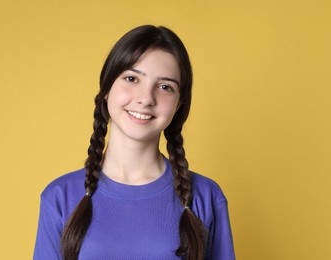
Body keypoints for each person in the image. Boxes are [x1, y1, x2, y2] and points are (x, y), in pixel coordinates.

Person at [34, 25, 235, 260]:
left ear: (179, 103)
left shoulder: (205, 196)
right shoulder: (59, 197)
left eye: (165, 87)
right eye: (132, 78)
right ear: (107, 88)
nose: (146, 98)